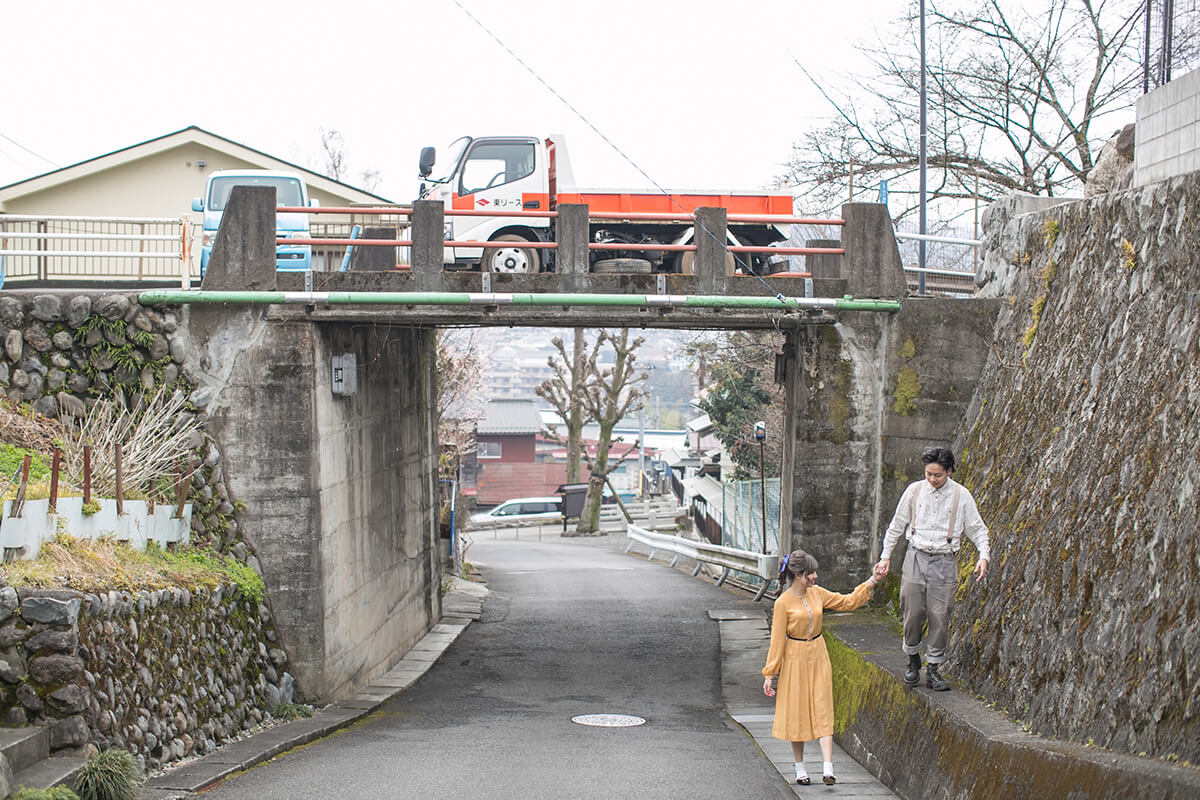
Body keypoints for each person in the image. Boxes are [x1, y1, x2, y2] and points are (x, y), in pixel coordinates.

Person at [761, 549, 882, 786]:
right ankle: (800, 768)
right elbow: (777, 641)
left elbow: (847, 601)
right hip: (794, 658)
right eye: (810, 573)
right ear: (797, 574)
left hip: (818, 654)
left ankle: (828, 767)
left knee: (823, 706)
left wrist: (873, 580)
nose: (815, 577)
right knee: (797, 712)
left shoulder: (817, 594)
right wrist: (770, 674)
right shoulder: (783, 603)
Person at [874, 446, 989, 692]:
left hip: (945, 560)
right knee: (912, 609)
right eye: (928, 474)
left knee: (940, 614)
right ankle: (913, 658)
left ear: (949, 471)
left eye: (937, 475)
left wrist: (983, 555)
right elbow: (896, 526)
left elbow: (978, 529)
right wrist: (885, 557)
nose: (932, 479)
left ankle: (934, 668)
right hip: (916, 556)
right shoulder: (914, 491)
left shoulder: (961, 495)